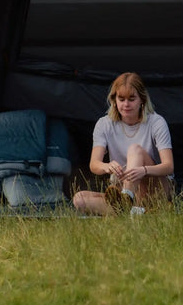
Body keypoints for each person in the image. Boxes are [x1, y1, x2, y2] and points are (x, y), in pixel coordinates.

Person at [72, 72, 174, 215]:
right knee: (79, 199)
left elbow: (169, 166)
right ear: (114, 100)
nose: (126, 104)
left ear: (142, 100)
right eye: (121, 99)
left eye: (131, 99)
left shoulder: (156, 122)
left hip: (155, 186)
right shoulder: (104, 124)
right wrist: (107, 166)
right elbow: (94, 164)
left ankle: (127, 199)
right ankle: (139, 212)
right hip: (121, 187)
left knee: (135, 150)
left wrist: (143, 170)